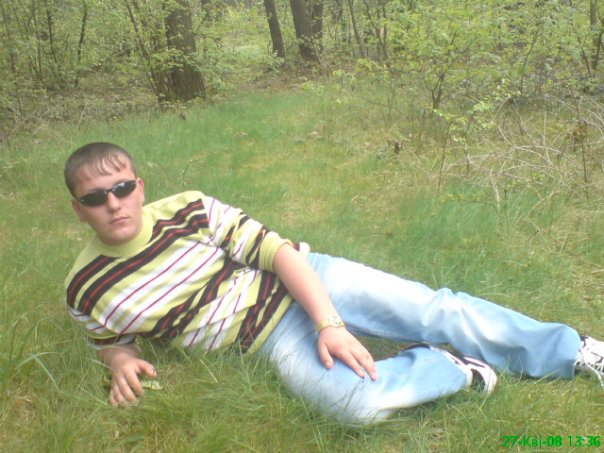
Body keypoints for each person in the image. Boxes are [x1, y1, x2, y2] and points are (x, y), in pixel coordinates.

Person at [64, 142, 603, 424]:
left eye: (122, 187)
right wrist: (121, 362)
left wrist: (329, 323)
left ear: (140, 186)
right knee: (352, 408)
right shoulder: (86, 288)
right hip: (267, 339)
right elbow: (111, 340)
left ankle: (571, 351)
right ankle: (454, 369)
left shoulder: (189, 209)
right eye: (95, 197)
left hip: (306, 279)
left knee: (433, 309)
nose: (113, 203)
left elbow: (276, 251)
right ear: (79, 209)